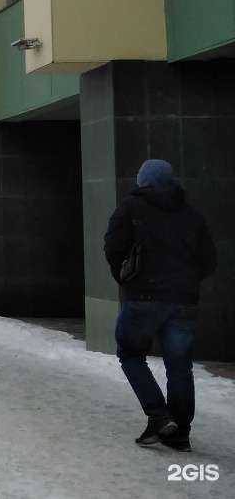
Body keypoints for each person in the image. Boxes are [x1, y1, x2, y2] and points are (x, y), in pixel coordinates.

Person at [104, 159, 218, 452]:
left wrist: (125, 276)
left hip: (142, 298)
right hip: (183, 301)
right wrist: (186, 283)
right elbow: (209, 260)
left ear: (144, 182)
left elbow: (113, 246)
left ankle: (158, 415)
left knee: (130, 353)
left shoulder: (131, 207)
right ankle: (180, 430)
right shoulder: (192, 215)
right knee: (179, 365)